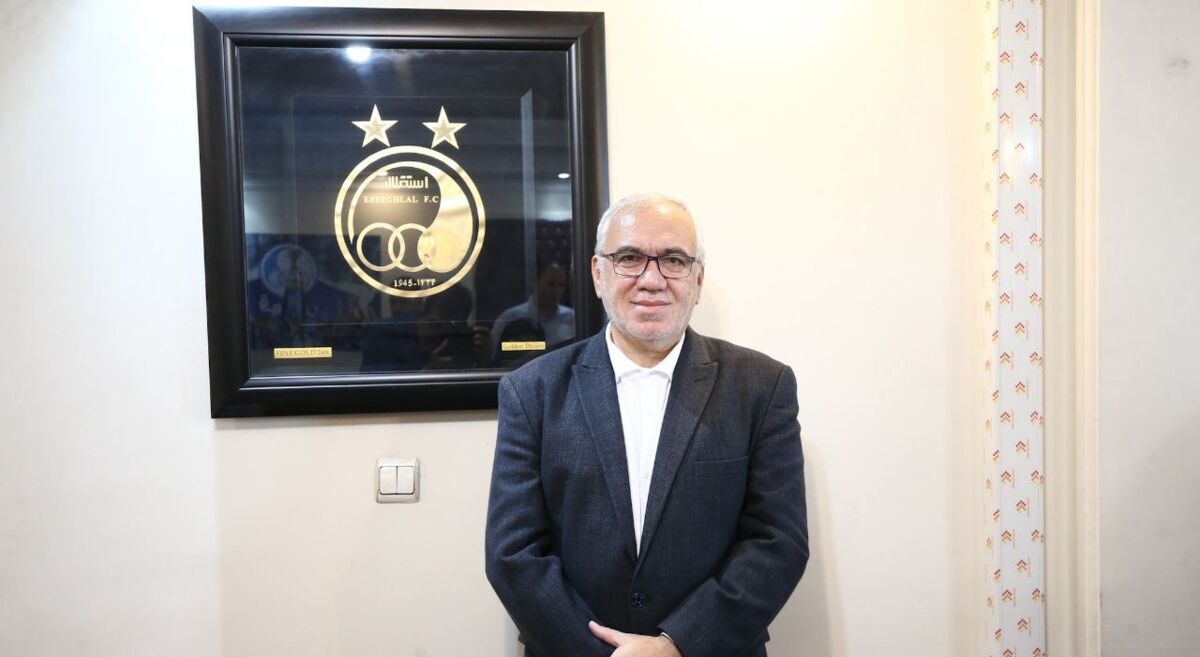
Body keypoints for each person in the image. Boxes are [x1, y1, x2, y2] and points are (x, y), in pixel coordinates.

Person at [485, 193, 808, 657]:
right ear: (599, 274)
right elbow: (513, 553)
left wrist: (677, 645)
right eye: (629, 258)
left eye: (674, 260)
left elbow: (777, 542)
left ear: (697, 280)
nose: (651, 280)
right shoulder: (531, 390)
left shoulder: (762, 386)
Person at [490, 260, 576, 357]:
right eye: (550, 284)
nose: (556, 291)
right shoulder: (510, 317)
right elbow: (494, 355)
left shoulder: (573, 319)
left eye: (561, 285)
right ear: (537, 282)